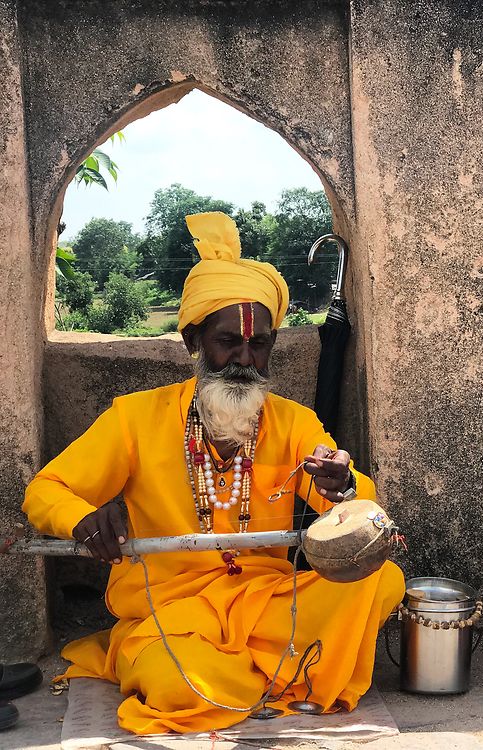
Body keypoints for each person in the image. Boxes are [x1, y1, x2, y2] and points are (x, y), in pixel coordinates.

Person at [22, 213, 404, 734]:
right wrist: (82, 519)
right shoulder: (135, 419)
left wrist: (343, 488)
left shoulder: (294, 421)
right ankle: (278, 676)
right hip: (172, 615)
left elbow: (360, 506)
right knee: (183, 685)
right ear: (193, 343)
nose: (244, 359)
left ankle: (252, 674)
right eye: (228, 341)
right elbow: (46, 490)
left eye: (260, 344)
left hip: (267, 605)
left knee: (381, 580)